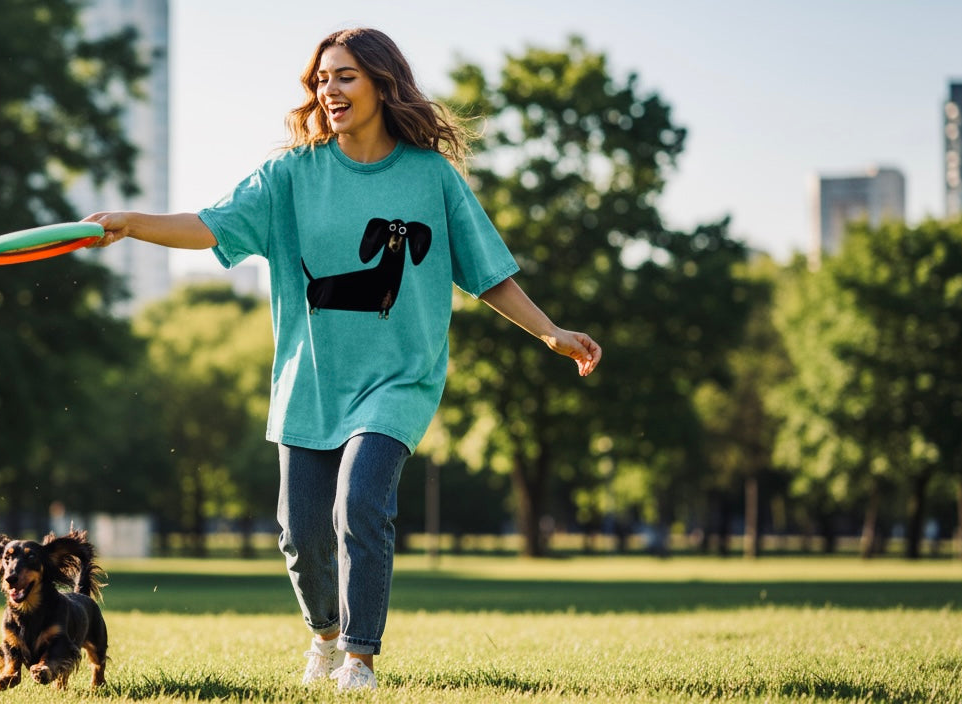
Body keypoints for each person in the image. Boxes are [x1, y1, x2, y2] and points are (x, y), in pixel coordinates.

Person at [85, 27, 601, 691]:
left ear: (383, 85)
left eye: (346, 76)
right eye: (322, 79)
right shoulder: (290, 174)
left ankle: (359, 656)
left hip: (399, 380)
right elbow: (209, 226)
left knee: (360, 499)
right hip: (311, 384)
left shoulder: (429, 178)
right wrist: (133, 222)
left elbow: (485, 271)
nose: (330, 90)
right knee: (300, 534)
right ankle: (324, 636)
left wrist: (550, 332)